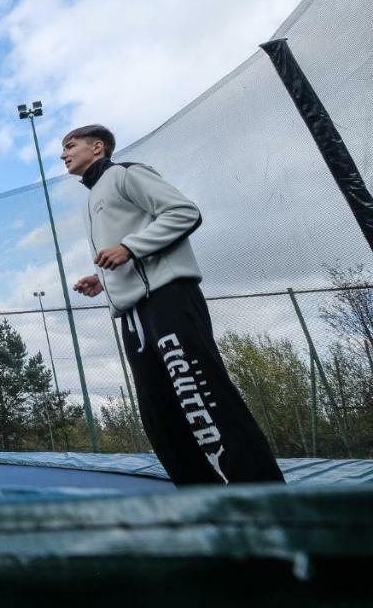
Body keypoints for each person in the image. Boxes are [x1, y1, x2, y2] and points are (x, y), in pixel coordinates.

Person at [62, 124, 283, 486]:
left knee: (198, 396)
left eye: (70, 145)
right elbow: (124, 250)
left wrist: (130, 248)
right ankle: (202, 498)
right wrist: (101, 278)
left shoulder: (125, 174)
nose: (63, 154)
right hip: (132, 315)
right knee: (158, 414)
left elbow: (183, 212)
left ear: (97, 147)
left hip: (166, 300)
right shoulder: (92, 196)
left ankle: (261, 498)